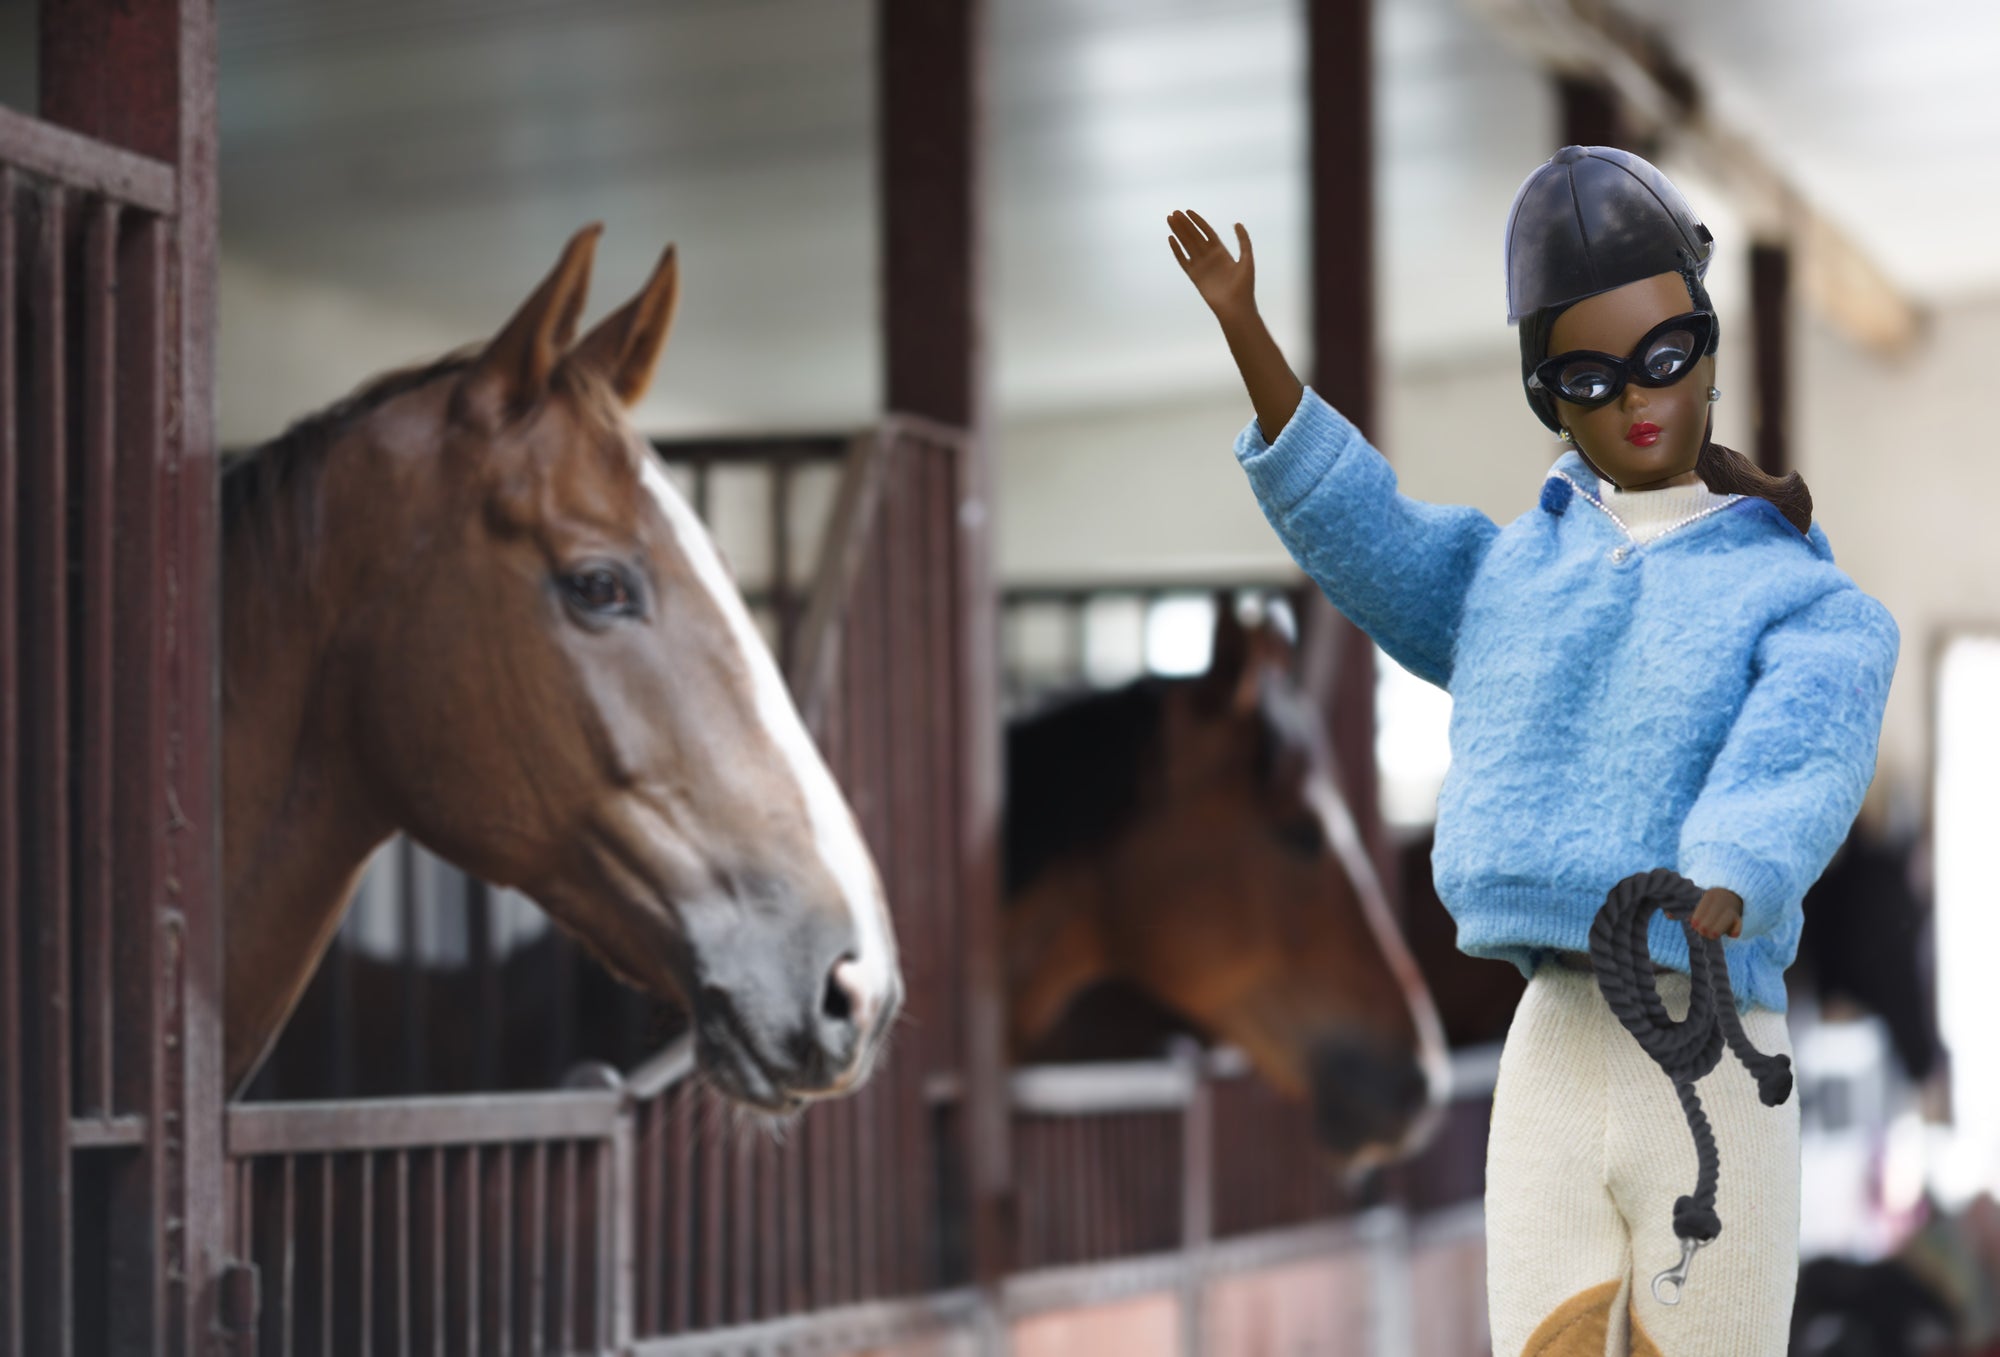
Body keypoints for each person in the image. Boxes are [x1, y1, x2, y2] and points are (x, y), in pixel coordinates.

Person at [1169, 145, 1899, 1356]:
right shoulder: (1517, 574)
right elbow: (1373, 537)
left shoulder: (1797, 596)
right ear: (1546, 396)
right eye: (1590, 375)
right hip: (1549, 1034)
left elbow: (1800, 746)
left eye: (1666, 356)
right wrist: (1254, 346)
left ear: (1708, 346)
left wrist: (1732, 864)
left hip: (1704, 1038)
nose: (1637, 399)